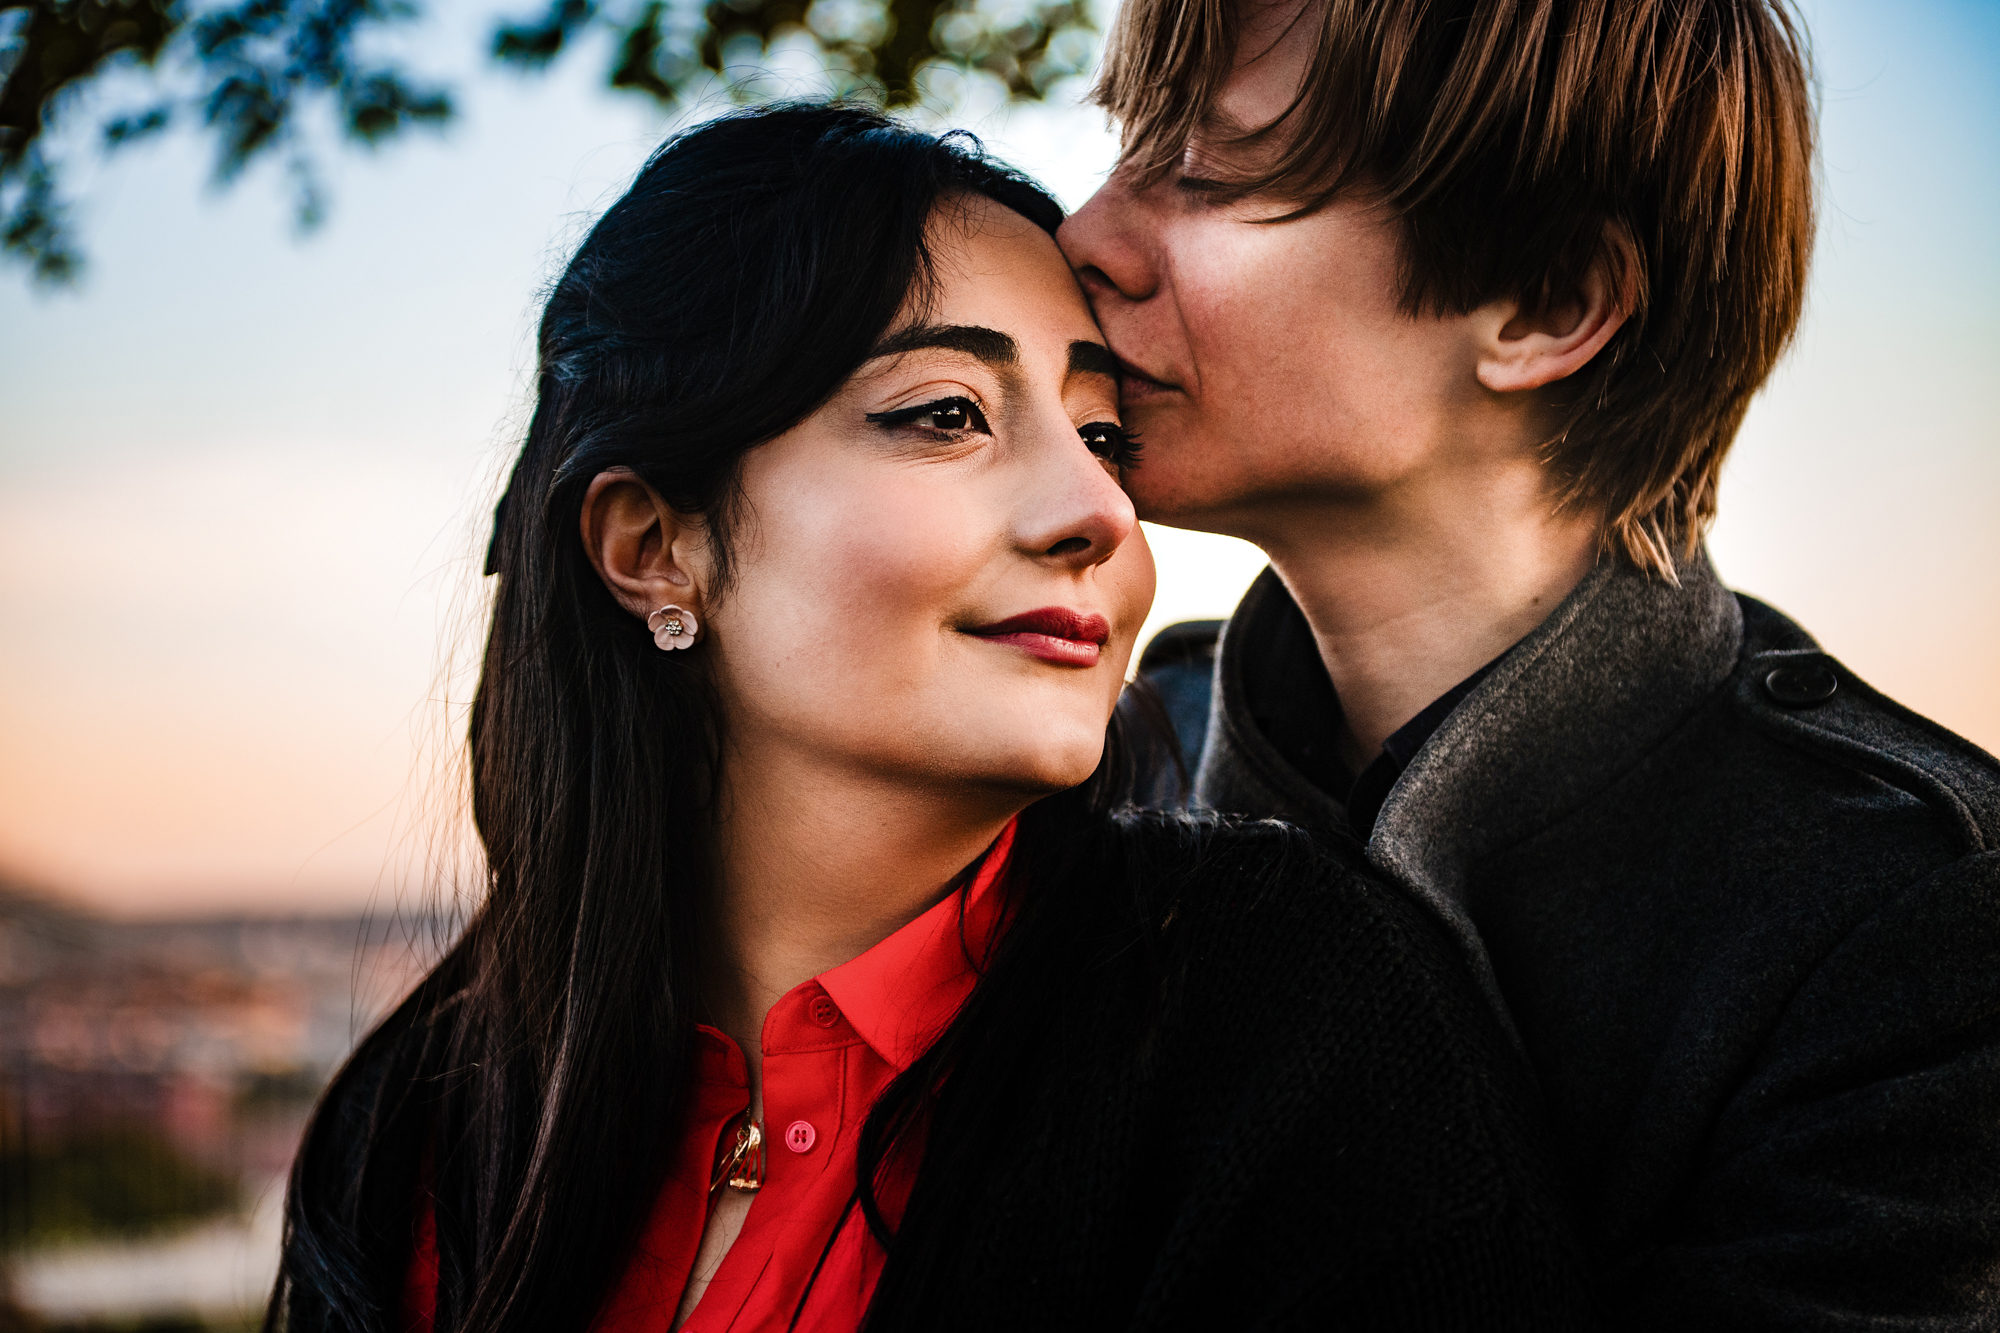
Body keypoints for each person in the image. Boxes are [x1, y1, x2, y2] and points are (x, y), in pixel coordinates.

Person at [266, 103, 1596, 1333]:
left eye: (1101, 435)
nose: (1097, 515)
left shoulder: (1287, 1031)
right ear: (653, 545)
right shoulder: (417, 1131)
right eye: (949, 413)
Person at [1059, 0, 2000, 1326]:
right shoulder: (1125, 745)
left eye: (1210, 173)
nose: (1084, 239)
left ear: (1549, 303)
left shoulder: (1910, 920)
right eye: (1120, 149)